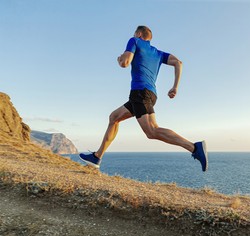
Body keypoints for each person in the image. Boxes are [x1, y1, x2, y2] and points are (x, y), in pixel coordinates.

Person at [79, 26, 208, 171]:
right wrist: (175, 87)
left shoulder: (134, 40)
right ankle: (97, 156)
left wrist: (120, 58)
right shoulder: (158, 53)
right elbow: (179, 63)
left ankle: (194, 148)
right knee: (114, 117)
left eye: (135, 34)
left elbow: (124, 63)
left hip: (140, 93)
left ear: (139, 34)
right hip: (148, 94)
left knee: (152, 131)